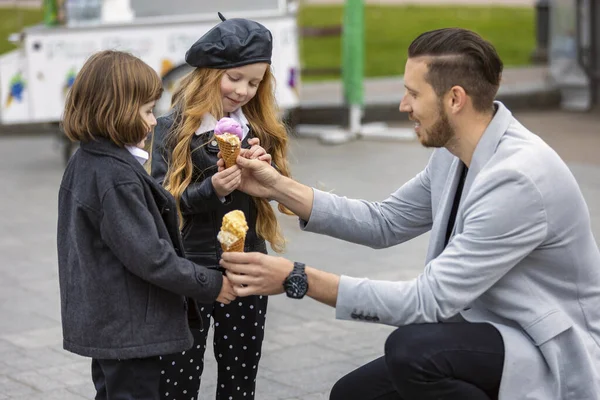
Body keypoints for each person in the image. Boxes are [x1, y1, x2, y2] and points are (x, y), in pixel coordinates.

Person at [219, 28, 600, 400]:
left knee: (412, 353)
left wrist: (296, 277)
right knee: (351, 394)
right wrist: (275, 187)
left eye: (413, 93)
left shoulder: (518, 180)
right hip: (484, 333)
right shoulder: (454, 152)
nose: (403, 105)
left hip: (543, 351)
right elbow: (385, 222)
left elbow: (426, 302)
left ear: (455, 99)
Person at [57, 50, 235, 400]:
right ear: (116, 111)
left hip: (111, 326)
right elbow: (150, 257)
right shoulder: (116, 177)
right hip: (130, 331)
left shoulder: (87, 161)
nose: (154, 122)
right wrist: (211, 283)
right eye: (147, 111)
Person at [151, 13, 292, 400]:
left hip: (248, 265)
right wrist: (208, 189)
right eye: (235, 78)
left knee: (239, 381)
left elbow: (280, 196)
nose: (244, 91)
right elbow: (161, 202)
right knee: (177, 381)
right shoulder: (170, 129)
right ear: (209, 73)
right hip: (190, 268)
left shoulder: (257, 131)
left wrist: (269, 175)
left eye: (254, 82)